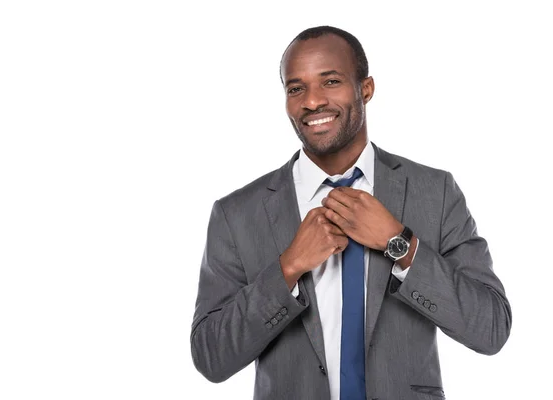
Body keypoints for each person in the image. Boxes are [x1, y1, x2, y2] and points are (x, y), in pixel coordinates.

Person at [190, 25, 512, 400]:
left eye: (330, 81)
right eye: (296, 89)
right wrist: (288, 268)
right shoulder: (237, 214)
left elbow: (490, 328)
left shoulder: (434, 192)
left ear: (366, 89)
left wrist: (400, 244)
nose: (312, 102)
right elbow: (210, 358)